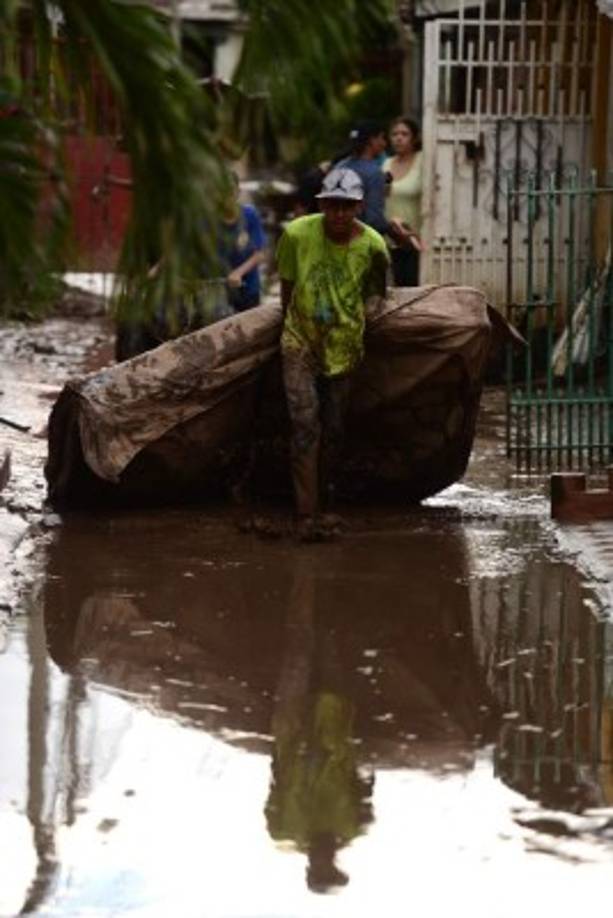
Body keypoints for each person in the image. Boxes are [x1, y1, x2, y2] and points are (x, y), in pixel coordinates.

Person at [276, 166, 389, 540]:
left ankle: (327, 502)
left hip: (345, 346)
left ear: (359, 207)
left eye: (346, 207)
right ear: (321, 205)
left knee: (335, 428)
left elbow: (376, 294)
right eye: (332, 206)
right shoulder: (296, 235)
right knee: (305, 424)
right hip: (300, 341)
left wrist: (361, 320)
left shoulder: (373, 246)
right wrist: (292, 327)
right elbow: (287, 287)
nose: (339, 214)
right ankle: (305, 513)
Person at [337, 120, 412, 247]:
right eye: (381, 138)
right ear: (372, 141)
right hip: (361, 245)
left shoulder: (340, 167)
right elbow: (374, 220)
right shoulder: (374, 173)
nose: (384, 143)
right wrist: (397, 234)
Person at [383, 116, 424, 287]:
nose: (399, 138)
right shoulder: (386, 164)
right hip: (389, 239)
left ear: (414, 138)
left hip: (416, 240)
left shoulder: (423, 160)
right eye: (395, 134)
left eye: (404, 134)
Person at [218, 172, 266, 312]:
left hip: (247, 288)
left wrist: (238, 273)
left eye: (230, 190)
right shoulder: (209, 218)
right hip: (219, 290)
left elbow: (259, 254)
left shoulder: (249, 215)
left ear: (237, 192)